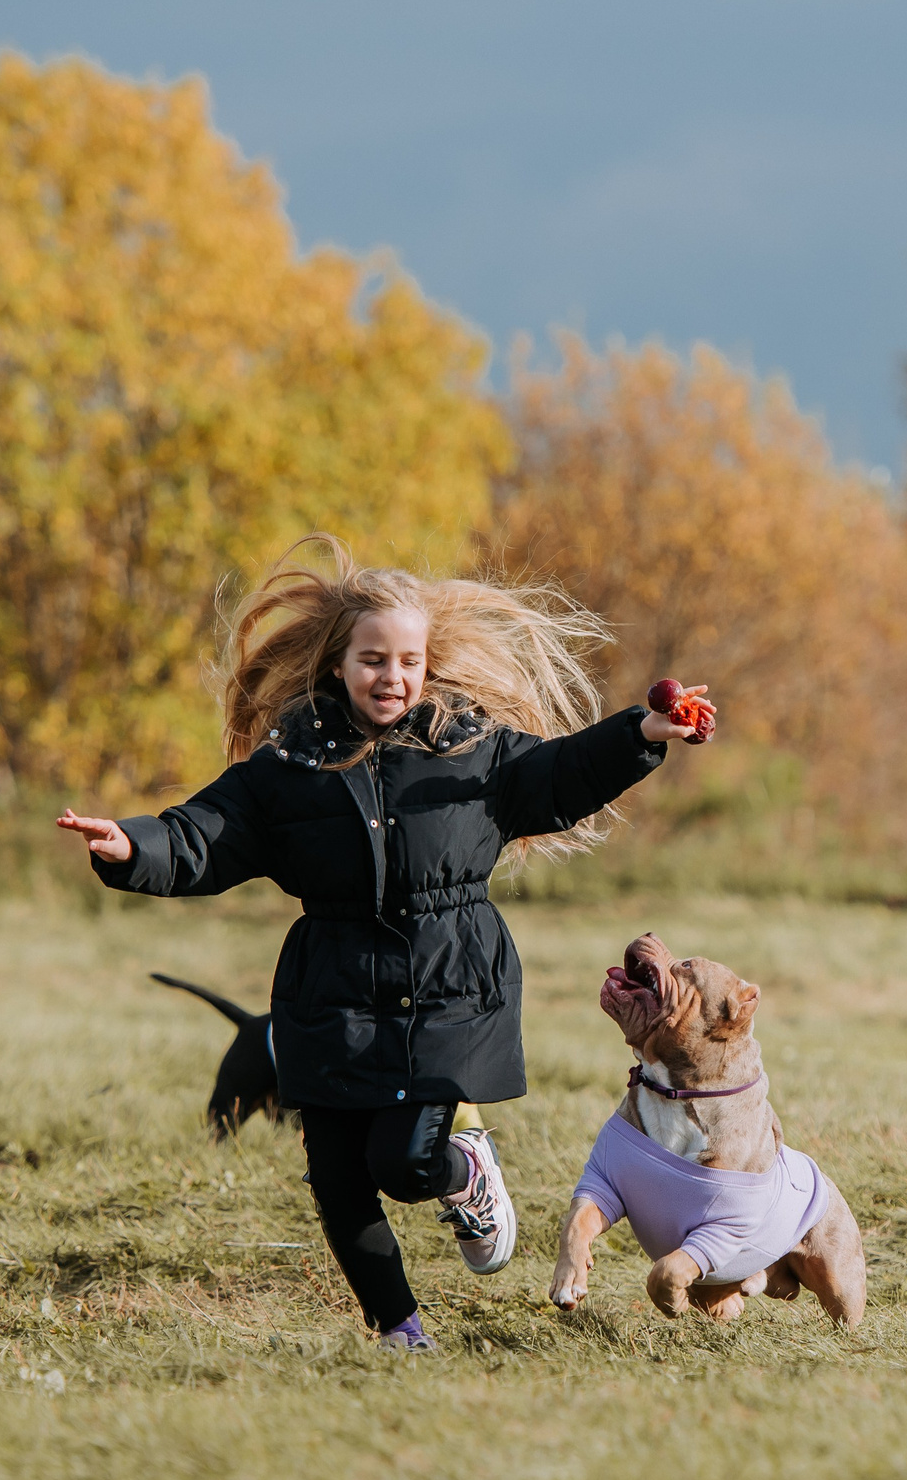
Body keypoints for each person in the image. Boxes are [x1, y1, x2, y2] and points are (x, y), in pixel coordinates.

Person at [57, 537, 712, 1350]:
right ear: (339, 662)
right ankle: (399, 1329)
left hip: (450, 989)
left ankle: (462, 1170)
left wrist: (640, 732)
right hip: (330, 990)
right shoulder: (287, 766)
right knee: (336, 1176)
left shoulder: (477, 752)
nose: (391, 676)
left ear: (428, 664)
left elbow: (563, 773)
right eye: (373, 658)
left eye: (408, 659)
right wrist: (130, 845)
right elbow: (202, 834)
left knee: (404, 1164)